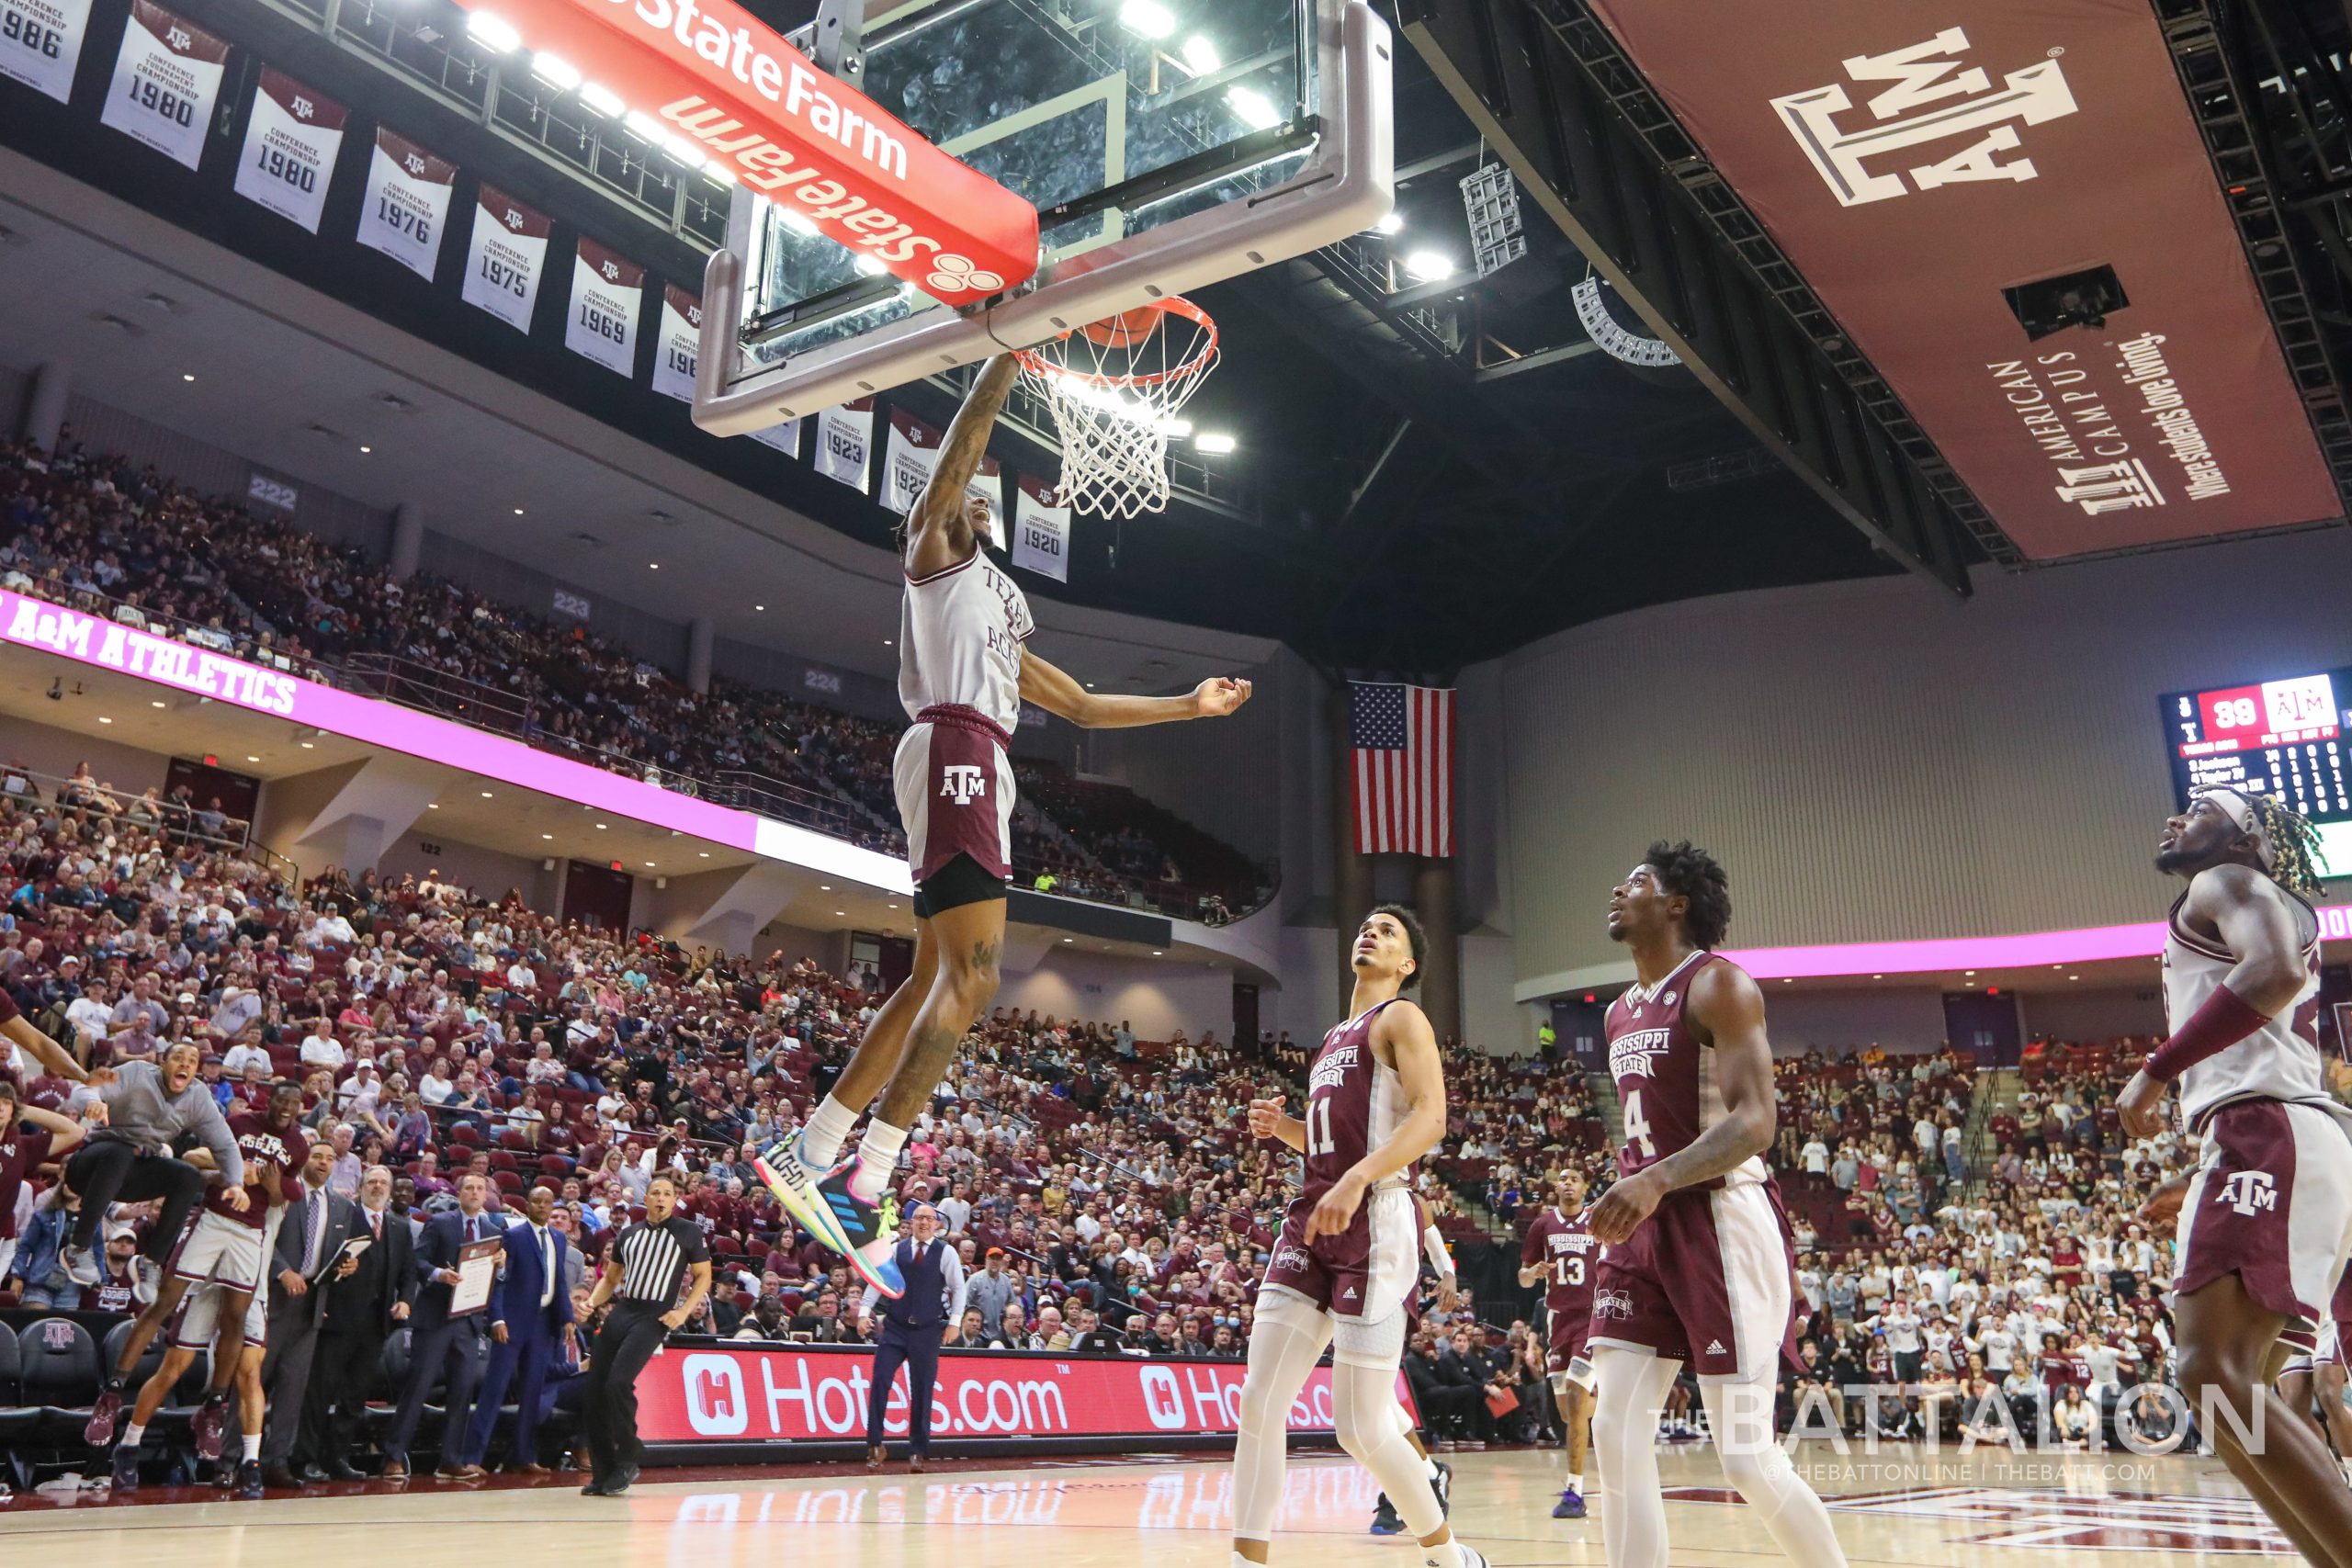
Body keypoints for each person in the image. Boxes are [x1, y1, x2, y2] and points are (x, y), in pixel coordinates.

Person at [755, 352, 1253, 1298]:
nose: (977, 501)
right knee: (976, 979)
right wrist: (1008, 356)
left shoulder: (998, 603)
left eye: (984, 502)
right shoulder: (935, 559)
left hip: (975, 758)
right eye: (967, 495)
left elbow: (1085, 707)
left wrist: (1190, 704)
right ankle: (863, 1182)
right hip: (954, 747)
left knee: (935, 978)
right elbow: (958, 459)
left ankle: (813, 1148)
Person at [1584, 842, 1850, 1568]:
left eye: (1636, 881)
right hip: (1646, 1230)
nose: (1617, 887)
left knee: (1743, 1456)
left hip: (1718, 1220)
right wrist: (1640, 1185)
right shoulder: (1618, 1013)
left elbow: (1756, 1120)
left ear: (1676, 904)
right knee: (1614, 1429)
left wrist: (1655, 1178)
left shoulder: (1718, 985)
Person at [2120, 787, 2352, 1562]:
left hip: (2267, 1131)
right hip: (2281, 1141)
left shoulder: (2222, 880)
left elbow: (2277, 973)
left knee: (2210, 1372)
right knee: (2238, 1407)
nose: (2175, 816)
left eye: (2197, 806)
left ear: (2245, 831)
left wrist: (2156, 1070)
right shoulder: (2255, 895)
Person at [1230, 905, 1487, 1568]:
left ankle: (1449, 1554)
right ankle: (1247, 1560)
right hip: (1313, 1215)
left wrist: (1358, 1180)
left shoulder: (1401, 1017)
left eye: (1389, 930)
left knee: (1360, 1426)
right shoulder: (1332, 1036)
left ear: (1407, 964)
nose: (1370, 931)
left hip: (1378, 1220)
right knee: (1260, 1399)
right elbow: (1334, 1139)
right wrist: (1285, 1127)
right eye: (1366, 924)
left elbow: (1431, 1118)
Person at [88, 1078, 305, 1466]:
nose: (287, 1107)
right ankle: (113, 1392)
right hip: (213, 1219)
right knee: (165, 1303)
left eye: (295, 1102)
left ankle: (215, 1406)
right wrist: (230, 1172)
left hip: (250, 1232)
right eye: (282, 1099)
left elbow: (285, 1195)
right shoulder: (238, 1125)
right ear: (268, 1099)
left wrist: (272, 1185)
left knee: (235, 1319)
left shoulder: (299, 1147)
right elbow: (195, 1157)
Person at [61, 1042, 244, 1288]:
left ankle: (151, 1262)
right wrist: (93, 1102)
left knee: (188, 1176)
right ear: (162, 1062)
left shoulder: (198, 1096)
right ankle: (78, 1247)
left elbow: (225, 1144)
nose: (185, 1064)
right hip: (91, 1165)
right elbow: (84, 1089)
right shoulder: (137, 1072)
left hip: (133, 1175)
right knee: (121, 1153)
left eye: (192, 1061)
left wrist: (236, 1182)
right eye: (178, 1057)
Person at [581, 1171, 711, 1496]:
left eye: (668, 1193)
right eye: (656, 1193)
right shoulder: (629, 1234)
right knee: (595, 1389)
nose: (661, 1198)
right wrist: (591, 1302)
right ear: (647, 1198)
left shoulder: (688, 1232)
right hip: (624, 1309)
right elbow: (611, 1279)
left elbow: (703, 1277)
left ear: (673, 1199)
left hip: (655, 1315)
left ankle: (630, 1452)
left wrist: (682, 1311)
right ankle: (604, 1471)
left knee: (619, 1382)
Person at [383, 1171, 500, 1480]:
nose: (475, 1192)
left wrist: (500, 1267)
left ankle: (450, 1460)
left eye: (480, 1188)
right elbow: (417, 1261)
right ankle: (393, 1456)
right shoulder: (440, 1222)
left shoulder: (492, 1228)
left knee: (462, 1393)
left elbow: (495, 1280)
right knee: (418, 1387)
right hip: (436, 1317)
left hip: (469, 1320)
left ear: (486, 1195)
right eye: (469, 1188)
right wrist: (437, 1274)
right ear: (459, 1193)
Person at [258, 1139, 358, 1487]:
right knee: (252, 1383)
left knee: (293, 1390)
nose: (324, 1163)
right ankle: (232, 1460)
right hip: (273, 1298)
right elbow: (262, 1236)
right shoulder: (284, 1192)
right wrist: (283, 1271)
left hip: (313, 1303)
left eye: (330, 1159)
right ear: (305, 1160)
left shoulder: (342, 1207)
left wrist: (346, 1267)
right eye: (317, 1156)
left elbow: (333, 1256)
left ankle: (277, 1461)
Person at [303, 1163, 413, 1477]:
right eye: (372, 1182)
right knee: (320, 1392)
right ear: (360, 1187)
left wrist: (405, 1300)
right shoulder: (343, 1218)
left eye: (383, 1183)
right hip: (338, 1319)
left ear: (390, 1191)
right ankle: (306, 1458)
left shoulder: (399, 1226)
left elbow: (408, 1272)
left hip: (376, 1325)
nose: (377, 1187)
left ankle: (336, 1458)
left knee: (354, 1396)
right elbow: (324, 1263)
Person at [457, 1184, 576, 1473]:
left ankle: (525, 1456)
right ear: (527, 1204)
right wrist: (497, 1319)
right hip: (511, 1323)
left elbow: (558, 1281)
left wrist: (567, 1318)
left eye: (548, 1202)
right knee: (495, 1389)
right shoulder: (512, 1235)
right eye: (537, 1202)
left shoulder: (558, 1239)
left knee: (533, 1393)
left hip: (543, 1323)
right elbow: (500, 1279)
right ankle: (472, 1457)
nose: (543, 1207)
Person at [1519, 1171, 1601, 1519]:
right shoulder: (1542, 1225)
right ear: (1556, 1188)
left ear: (1583, 1188)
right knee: (1569, 1412)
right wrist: (1533, 1272)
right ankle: (1610, 1407)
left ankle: (1574, 1492)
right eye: (1563, 1179)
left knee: (1576, 1396)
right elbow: (1522, 1278)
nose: (1568, 1183)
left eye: (1575, 1179)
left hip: (1591, 1317)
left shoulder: (1597, 1219)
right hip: (1558, 1320)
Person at [862, 1201, 967, 1472]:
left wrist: (955, 1322)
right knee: (881, 1378)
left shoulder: (947, 1253)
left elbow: (958, 1288)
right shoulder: (896, 1250)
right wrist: (864, 1311)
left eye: (928, 1219)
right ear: (910, 1222)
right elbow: (878, 1279)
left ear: (936, 1224)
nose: (922, 1223)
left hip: (927, 1331)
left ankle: (917, 1450)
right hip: (896, 1328)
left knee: (922, 1390)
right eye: (918, 1218)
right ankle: (875, 1443)